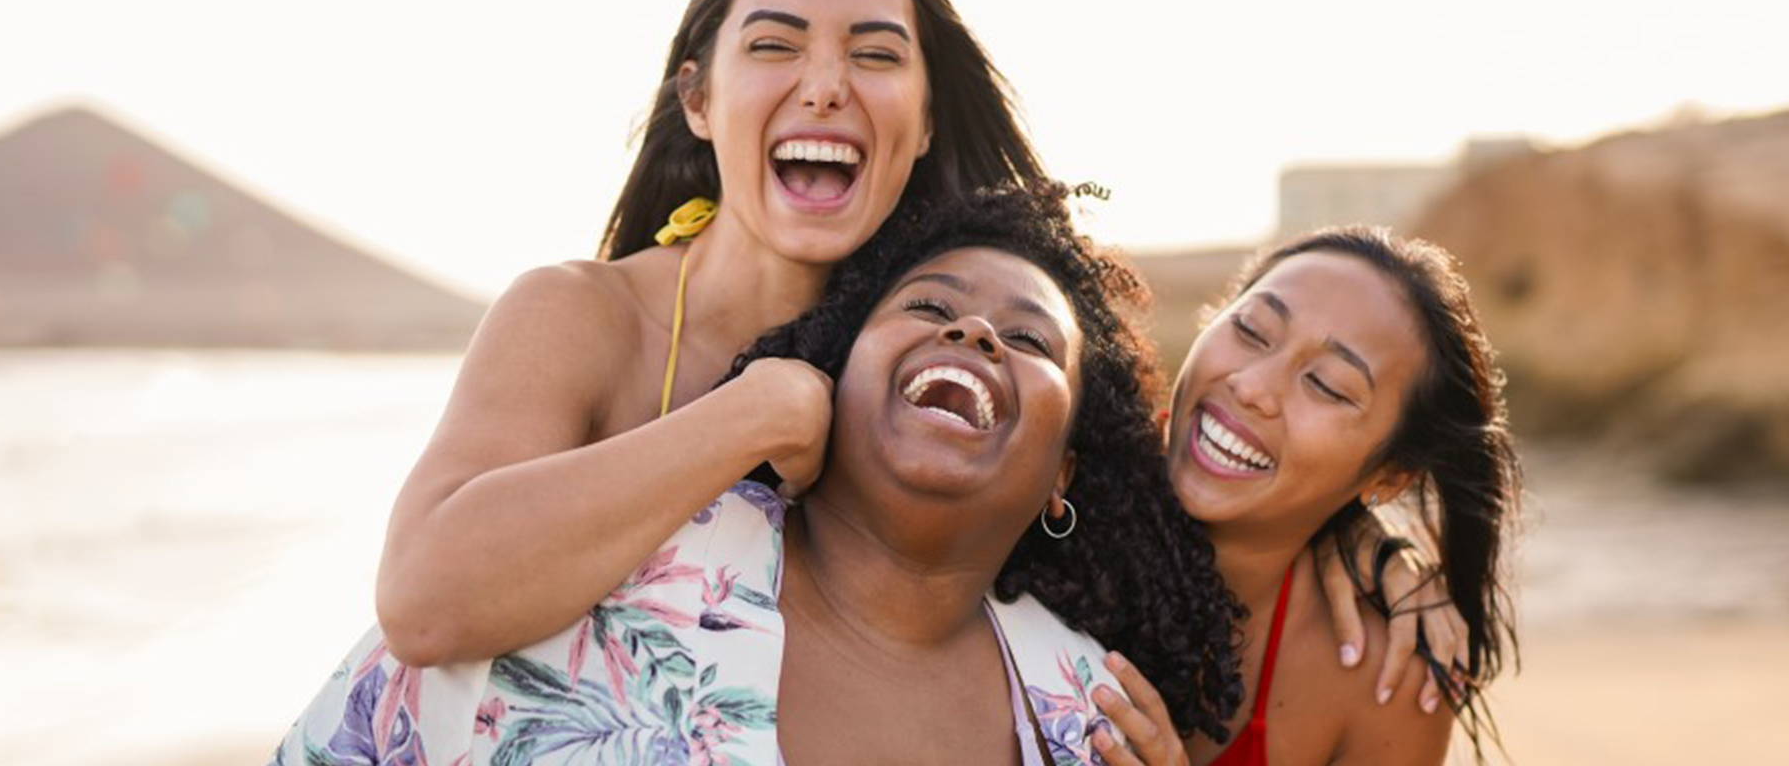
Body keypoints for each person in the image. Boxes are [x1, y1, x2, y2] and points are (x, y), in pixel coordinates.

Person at [370, 0, 1443, 693]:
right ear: (699, 98)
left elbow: (1158, 502)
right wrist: (750, 415)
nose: (825, 82)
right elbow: (425, 599)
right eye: (775, 45)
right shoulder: (584, 317)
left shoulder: (941, 364)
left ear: (924, 119)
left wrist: (1364, 544)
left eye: (874, 55)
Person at [271, 185, 1244, 765]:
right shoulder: (605, 562)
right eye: (926, 306)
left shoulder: (1090, 715)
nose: (975, 331)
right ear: (836, 371)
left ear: (1062, 472)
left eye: (1027, 338)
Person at [1088, 227, 1521, 766]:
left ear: (1388, 478)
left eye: (1328, 385)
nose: (1253, 387)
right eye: (1251, 330)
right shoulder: (1044, 489)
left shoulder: (1385, 679)